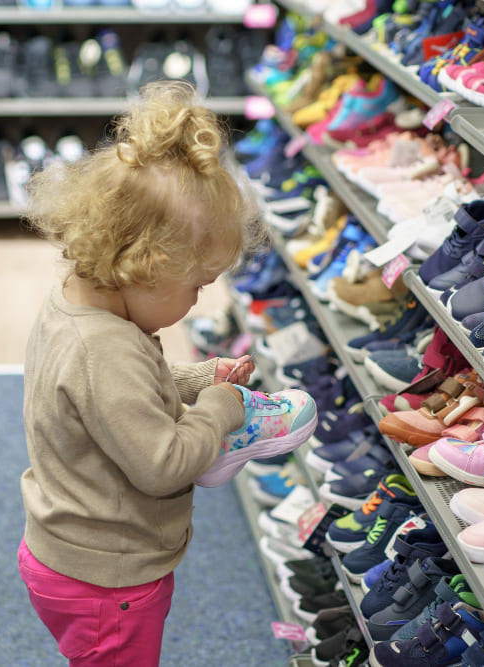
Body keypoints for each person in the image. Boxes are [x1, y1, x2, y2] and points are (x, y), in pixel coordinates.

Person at [16, 81, 317, 666]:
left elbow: (112, 398)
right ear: (151, 267)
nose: (199, 300)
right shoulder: (106, 350)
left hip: (70, 553)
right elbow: (164, 465)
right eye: (197, 285)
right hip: (108, 579)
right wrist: (222, 411)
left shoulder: (76, 310)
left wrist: (200, 380)